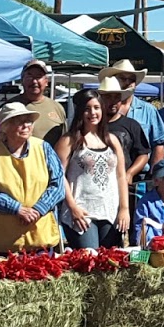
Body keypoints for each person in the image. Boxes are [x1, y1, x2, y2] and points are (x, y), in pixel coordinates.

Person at [0, 101, 66, 253]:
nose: (26, 125)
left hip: (40, 237)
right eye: (19, 122)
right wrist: (16, 209)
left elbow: (58, 185)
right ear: (5, 127)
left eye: (28, 121)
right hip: (4, 239)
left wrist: (38, 209)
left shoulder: (44, 148)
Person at [54, 90, 129, 249]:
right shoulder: (69, 140)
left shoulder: (112, 140)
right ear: (80, 111)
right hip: (82, 212)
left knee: (111, 262)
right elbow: (59, 175)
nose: (92, 113)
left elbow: (121, 176)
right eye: (87, 108)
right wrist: (72, 207)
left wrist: (124, 209)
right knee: (90, 258)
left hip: (109, 210)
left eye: (96, 107)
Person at [105, 60, 164, 188]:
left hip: (140, 177)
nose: (128, 82)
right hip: (106, 175)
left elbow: (159, 143)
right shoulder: (102, 110)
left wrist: (154, 175)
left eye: (131, 79)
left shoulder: (148, 110)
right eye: (123, 78)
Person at [99, 76, 155, 204]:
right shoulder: (93, 124)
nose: (113, 101)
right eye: (108, 97)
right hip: (98, 188)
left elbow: (143, 154)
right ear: (100, 99)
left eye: (116, 97)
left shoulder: (131, 125)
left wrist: (129, 173)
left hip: (126, 187)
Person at [15, 59, 69, 145]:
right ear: (22, 80)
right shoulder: (10, 107)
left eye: (39, 76)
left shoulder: (57, 107)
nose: (34, 81)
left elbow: (64, 142)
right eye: (29, 76)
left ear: (46, 82)